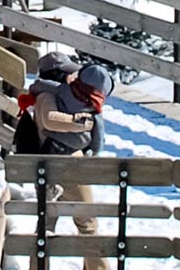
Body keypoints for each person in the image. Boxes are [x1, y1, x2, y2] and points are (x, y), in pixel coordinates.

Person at [28, 60, 113, 270]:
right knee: (87, 224)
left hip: (51, 168)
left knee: (46, 225)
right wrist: (83, 123)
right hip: (65, 168)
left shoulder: (59, 97)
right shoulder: (48, 97)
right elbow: (50, 120)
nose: (71, 79)